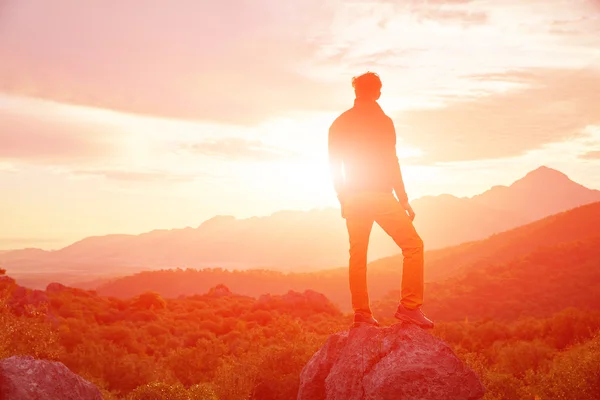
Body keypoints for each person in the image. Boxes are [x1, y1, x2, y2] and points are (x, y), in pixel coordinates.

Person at [328, 72, 434, 329]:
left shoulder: (339, 123)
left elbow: (334, 165)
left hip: (353, 197)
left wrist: (342, 196)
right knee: (413, 245)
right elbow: (391, 161)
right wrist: (404, 199)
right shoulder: (383, 121)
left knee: (358, 255)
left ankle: (362, 314)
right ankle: (409, 307)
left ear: (356, 92)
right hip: (379, 195)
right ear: (377, 92)